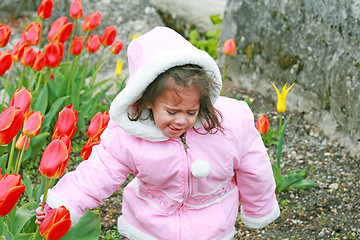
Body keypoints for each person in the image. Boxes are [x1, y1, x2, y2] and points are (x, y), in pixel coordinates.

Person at [36, 26, 280, 240]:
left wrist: (259, 209)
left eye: (191, 111)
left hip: (211, 227)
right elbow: (96, 175)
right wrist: (59, 209)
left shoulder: (230, 123)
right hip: (150, 228)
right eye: (172, 111)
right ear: (147, 101)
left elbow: (255, 167)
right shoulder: (129, 136)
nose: (182, 120)